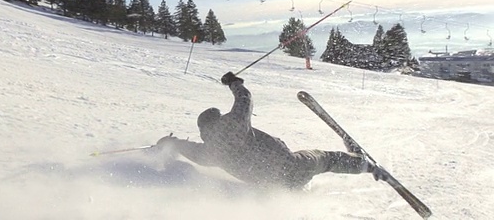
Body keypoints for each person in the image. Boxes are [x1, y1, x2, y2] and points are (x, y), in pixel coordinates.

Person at [156, 71, 387, 189]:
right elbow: (245, 98)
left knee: (295, 176)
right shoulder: (234, 124)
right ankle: (366, 165)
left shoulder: (208, 152)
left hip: (270, 186)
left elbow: (187, 149)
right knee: (327, 159)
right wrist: (233, 82)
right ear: (217, 119)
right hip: (294, 167)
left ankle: (301, 194)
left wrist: (168, 142)